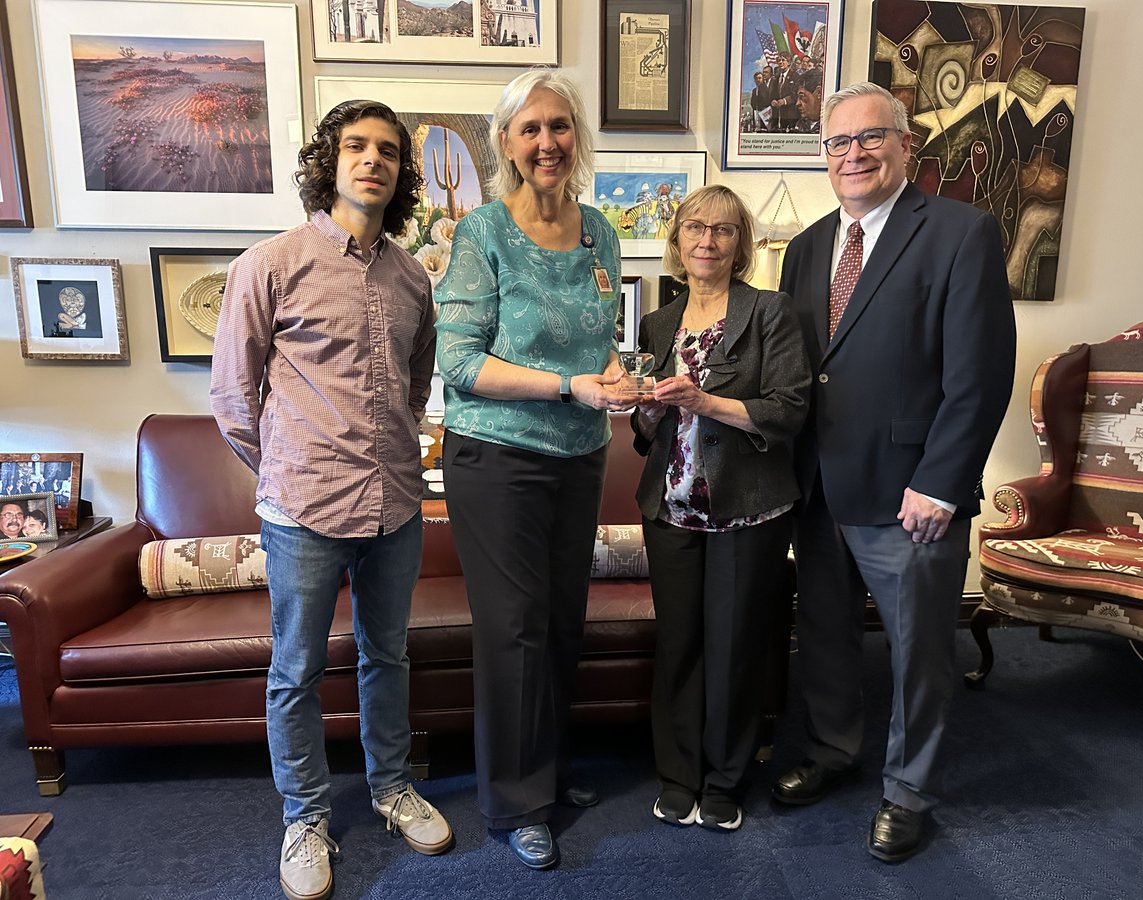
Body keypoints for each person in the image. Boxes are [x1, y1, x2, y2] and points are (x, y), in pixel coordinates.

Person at [210, 99, 452, 900]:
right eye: (357, 146)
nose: (373, 160)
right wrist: (286, 467)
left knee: (389, 656)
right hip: (302, 512)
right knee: (296, 670)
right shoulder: (271, 264)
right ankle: (306, 817)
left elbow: (418, 385)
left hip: (395, 506)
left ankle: (389, 789)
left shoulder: (414, 276)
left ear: (400, 172)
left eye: (387, 149)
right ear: (330, 159)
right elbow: (233, 399)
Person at [774, 82, 1016, 863]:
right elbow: (804, 374)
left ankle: (908, 790)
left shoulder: (960, 232)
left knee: (919, 653)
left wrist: (944, 482)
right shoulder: (809, 247)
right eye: (839, 142)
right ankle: (834, 750)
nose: (854, 154)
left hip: (913, 495)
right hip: (820, 487)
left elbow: (979, 376)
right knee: (826, 637)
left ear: (906, 145)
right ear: (823, 155)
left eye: (870, 137)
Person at [435, 68, 629, 871]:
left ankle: (545, 772)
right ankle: (516, 802)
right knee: (514, 629)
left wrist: (617, 376)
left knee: (560, 622)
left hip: (580, 453)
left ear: (573, 135)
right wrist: (567, 385)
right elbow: (458, 363)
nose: (546, 142)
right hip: (497, 456)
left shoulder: (601, 233)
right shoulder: (480, 233)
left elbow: (596, 340)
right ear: (506, 143)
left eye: (558, 126)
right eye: (529, 129)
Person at [631, 184, 810, 831]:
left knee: (735, 646)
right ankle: (678, 776)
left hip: (747, 510)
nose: (707, 241)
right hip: (672, 509)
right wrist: (648, 413)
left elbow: (789, 411)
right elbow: (648, 433)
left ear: (741, 245)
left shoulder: (770, 313)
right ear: (677, 240)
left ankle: (726, 780)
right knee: (678, 646)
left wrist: (705, 402)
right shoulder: (659, 321)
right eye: (695, 228)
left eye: (724, 231)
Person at [794, 69, 823, 134]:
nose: (797, 103)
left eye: (802, 97)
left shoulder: (831, 124)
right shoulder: (800, 125)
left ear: (819, 93)